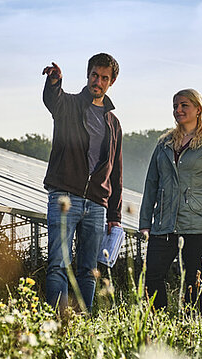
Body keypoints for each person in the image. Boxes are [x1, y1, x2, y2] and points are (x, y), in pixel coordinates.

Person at [41, 53, 123, 312]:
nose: (98, 81)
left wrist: (115, 215)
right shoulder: (69, 104)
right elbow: (51, 99)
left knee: (89, 271)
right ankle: (59, 323)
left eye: (104, 78)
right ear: (88, 75)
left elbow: (115, 171)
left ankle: (82, 324)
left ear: (111, 82)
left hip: (97, 204)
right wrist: (54, 82)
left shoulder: (113, 123)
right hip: (65, 196)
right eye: (94, 75)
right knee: (58, 264)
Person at [139, 89, 202, 310]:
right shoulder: (164, 144)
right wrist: (145, 222)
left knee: (195, 282)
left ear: (198, 109)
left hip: (196, 224)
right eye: (175, 106)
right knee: (152, 277)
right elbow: (151, 183)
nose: (178, 110)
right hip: (164, 223)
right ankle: (157, 322)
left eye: (184, 105)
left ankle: (192, 326)